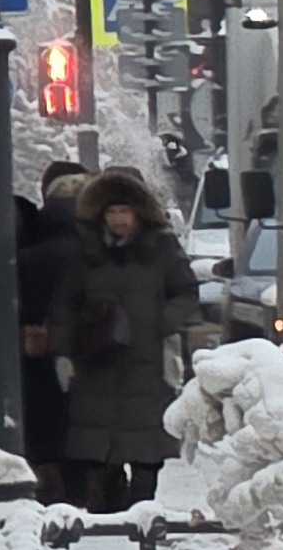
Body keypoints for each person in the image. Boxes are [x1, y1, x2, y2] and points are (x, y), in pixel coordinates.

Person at [52, 169, 203, 513]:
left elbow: (186, 292)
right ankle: (108, 508)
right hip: (97, 360)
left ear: (138, 213)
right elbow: (64, 303)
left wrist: (160, 323)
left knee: (146, 447)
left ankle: (142, 513)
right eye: (111, 211)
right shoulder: (86, 250)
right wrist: (63, 351)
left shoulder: (162, 247)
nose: (118, 219)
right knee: (99, 445)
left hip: (147, 362)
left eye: (124, 211)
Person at [17, 161, 88, 498]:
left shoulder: (28, 252)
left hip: (38, 355)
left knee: (48, 425)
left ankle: (55, 491)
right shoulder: (110, 247)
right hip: (100, 352)